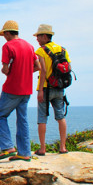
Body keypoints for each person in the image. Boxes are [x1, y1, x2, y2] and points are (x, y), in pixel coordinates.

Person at [0, 20, 40, 161]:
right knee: (22, 120)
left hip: (12, 88)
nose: (4, 37)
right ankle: (25, 153)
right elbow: (37, 66)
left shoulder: (7, 46)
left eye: (4, 34)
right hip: (26, 89)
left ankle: (8, 147)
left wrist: (8, 71)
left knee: (1, 116)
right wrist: (24, 72)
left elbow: (5, 69)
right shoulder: (29, 46)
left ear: (8, 33)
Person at [33, 24, 70, 155]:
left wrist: (40, 90)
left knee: (42, 118)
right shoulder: (63, 49)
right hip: (59, 87)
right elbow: (69, 68)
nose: (37, 39)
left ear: (44, 36)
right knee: (60, 117)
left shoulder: (41, 50)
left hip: (45, 88)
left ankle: (42, 149)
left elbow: (43, 70)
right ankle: (63, 147)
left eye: (38, 36)